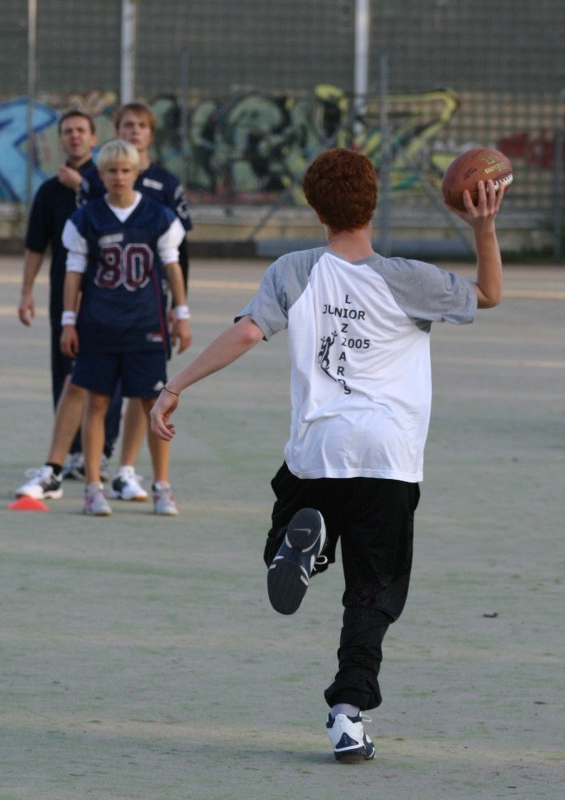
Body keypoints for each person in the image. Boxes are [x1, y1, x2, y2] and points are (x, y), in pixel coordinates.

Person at [149, 147, 505, 761]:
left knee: (283, 535)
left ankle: (301, 548)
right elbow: (490, 293)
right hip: (387, 457)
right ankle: (347, 714)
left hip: (317, 450)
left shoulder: (293, 270)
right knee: (372, 592)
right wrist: (484, 226)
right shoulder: (411, 279)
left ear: (316, 210)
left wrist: (174, 385)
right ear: (374, 205)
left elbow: (246, 332)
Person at [60, 139, 191, 516]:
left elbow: (172, 266)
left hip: (145, 324)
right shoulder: (86, 218)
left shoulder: (159, 216)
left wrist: (182, 313)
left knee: (154, 403)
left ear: (136, 172)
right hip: (98, 324)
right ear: (100, 175)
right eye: (112, 171)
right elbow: (73, 272)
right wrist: (68, 321)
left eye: (125, 170)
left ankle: (162, 485)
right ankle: (93, 488)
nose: (119, 177)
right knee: (97, 402)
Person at [16, 109, 116, 500]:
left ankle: (101, 453)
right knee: (65, 370)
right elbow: (35, 246)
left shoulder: (108, 181)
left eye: (81, 131)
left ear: (93, 138)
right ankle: (71, 452)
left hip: (107, 295)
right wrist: (26, 291)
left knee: (106, 374)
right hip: (66, 296)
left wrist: (83, 187)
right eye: (68, 131)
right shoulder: (49, 191)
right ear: (60, 139)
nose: (74, 137)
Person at [100, 102, 194, 503]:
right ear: (116, 130)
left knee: (145, 392)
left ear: (151, 134)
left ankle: (128, 470)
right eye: (127, 125)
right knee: (98, 390)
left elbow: (177, 254)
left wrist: (179, 307)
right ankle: (93, 461)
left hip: (148, 307)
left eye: (141, 125)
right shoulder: (102, 180)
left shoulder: (165, 185)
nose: (134, 131)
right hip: (105, 308)